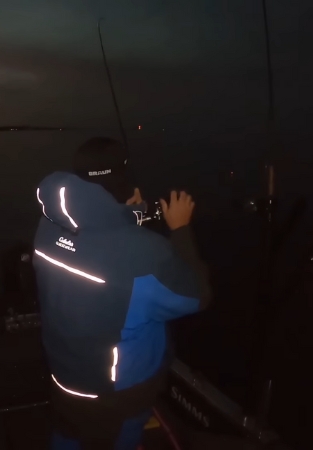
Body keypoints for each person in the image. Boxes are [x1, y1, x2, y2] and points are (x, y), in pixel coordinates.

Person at [33, 137, 212, 450]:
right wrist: (181, 230)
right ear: (125, 184)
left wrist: (126, 215)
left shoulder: (48, 227)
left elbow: (95, 235)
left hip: (64, 375)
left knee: (67, 436)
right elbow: (196, 297)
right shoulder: (143, 253)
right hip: (115, 392)